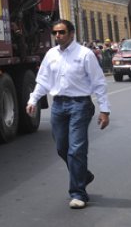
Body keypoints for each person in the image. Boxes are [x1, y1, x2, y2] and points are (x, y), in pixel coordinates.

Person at [26, 20, 110, 210]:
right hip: (58, 106)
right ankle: (83, 175)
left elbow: (99, 83)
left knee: (76, 149)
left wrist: (104, 110)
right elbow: (43, 81)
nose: (58, 36)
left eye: (62, 32)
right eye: (55, 32)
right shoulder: (51, 54)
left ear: (71, 33)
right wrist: (33, 100)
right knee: (61, 148)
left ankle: (78, 193)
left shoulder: (85, 54)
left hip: (80, 105)